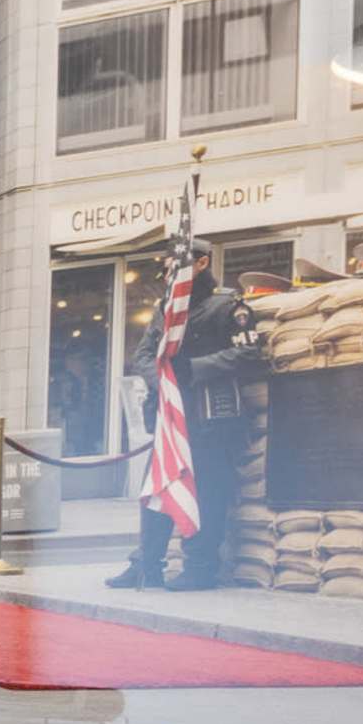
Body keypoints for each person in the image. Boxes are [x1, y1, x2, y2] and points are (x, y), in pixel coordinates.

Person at [106, 241, 263, 592]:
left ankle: (201, 567)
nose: (167, 274)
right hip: (170, 416)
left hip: (210, 415)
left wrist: (191, 370)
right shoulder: (166, 309)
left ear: (203, 263)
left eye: (176, 265)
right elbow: (144, 356)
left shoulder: (227, 306)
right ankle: (146, 564)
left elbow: (250, 354)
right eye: (166, 267)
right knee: (156, 490)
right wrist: (165, 380)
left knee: (208, 492)